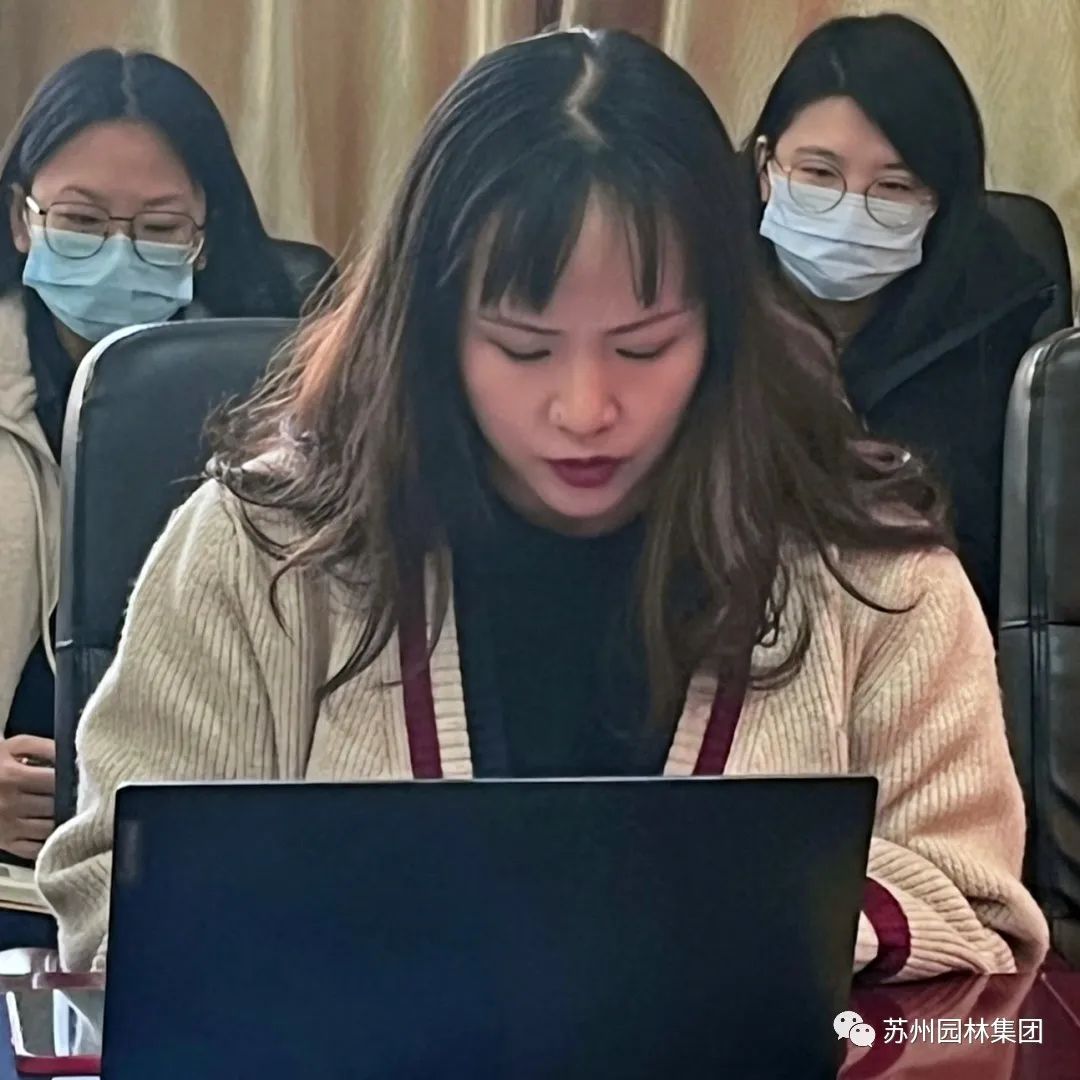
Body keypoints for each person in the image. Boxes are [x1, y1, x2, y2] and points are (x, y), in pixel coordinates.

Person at [39, 28, 1046, 981]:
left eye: (645, 347)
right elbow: (112, 893)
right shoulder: (265, 545)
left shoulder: (871, 570)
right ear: (429, 332)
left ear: (727, 333)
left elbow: (977, 907)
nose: (585, 409)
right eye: (522, 348)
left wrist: (676, 928)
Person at [0, 49, 306, 886]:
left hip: (197, 870)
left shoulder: (285, 395)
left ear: (204, 238)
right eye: (81, 220)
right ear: (22, 218)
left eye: (160, 228)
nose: (118, 253)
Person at [747, 14, 1059, 628]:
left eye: (892, 186)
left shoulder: (994, 333)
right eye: (819, 174)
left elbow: (995, 575)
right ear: (765, 168)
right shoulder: (692, 299)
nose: (849, 209)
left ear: (937, 204)